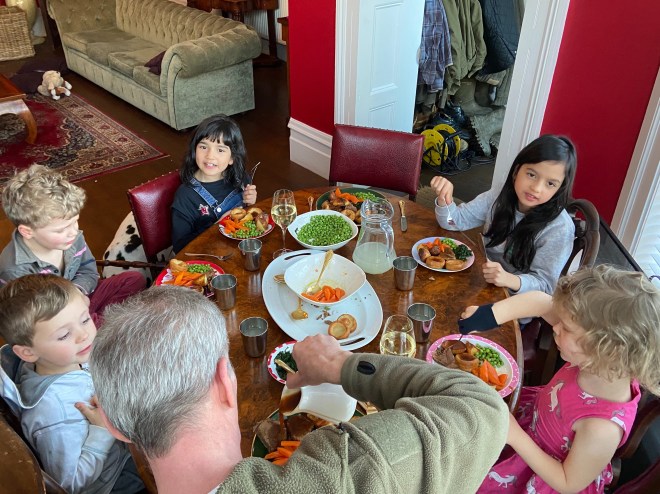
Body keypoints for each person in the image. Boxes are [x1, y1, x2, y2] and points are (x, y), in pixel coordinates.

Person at [89, 286, 510, 494]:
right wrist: (339, 364)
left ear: (112, 424)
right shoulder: (338, 471)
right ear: (224, 381)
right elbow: (483, 407)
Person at [458, 265, 660, 493]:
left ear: (606, 350)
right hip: (528, 423)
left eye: (567, 328)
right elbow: (542, 303)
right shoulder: (600, 358)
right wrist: (489, 315)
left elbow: (567, 483)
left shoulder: (602, 429)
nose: (555, 327)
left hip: (540, 474)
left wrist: (515, 436)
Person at [0, 274, 144, 494]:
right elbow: (70, 483)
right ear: (28, 352)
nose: (83, 335)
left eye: (85, 320)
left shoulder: (65, 358)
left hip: (122, 440)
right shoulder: (53, 414)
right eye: (64, 335)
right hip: (114, 479)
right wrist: (102, 430)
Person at [431, 134, 577, 295]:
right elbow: (454, 221)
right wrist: (445, 198)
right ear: (516, 171)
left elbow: (545, 287)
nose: (536, 188)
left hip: (515, 301)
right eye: (531, 175)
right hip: (481, 282)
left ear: (559, 189)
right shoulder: (499, 195)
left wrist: (509, 279)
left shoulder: (560, 228)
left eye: (550, 183)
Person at [0, 165, 145, 323]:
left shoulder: (72, 238)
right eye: (61, 230)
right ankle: (101, 325)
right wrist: (77, 308)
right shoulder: (14, 270)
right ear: (27, 232)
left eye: (75, 221)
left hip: (80, 296)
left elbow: (89, 271)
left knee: (134, 279)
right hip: (54, 319)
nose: (74, 232)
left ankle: (100, 323)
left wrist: (78, 292)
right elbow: (35, 320)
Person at [172, 114, 258, 253]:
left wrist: (250, 203)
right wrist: (217, 226)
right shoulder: (185, 196)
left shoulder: (241, 178)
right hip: (209, 255)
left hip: (240, 247)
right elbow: (180, 247)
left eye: (220, 150)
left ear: (232, 158)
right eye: (203, 147)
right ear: (194, 150)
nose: (210, 156)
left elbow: (247, 217)